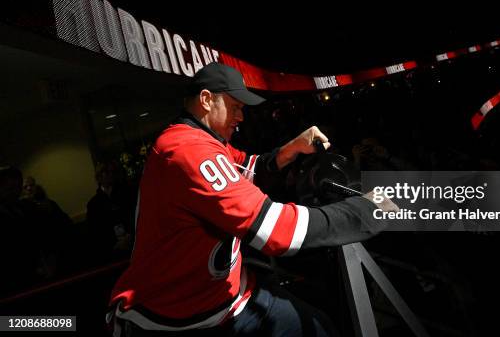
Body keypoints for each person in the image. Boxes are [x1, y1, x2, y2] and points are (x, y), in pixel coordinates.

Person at [108, 62, 398, 336]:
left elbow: (250, 167)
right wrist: (365, 211)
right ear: (207, 100)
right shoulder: (185, 150)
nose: (241, 117)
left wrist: (293, 147)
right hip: (182, 319)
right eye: (235, 107)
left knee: (320, 325)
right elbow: (277, 232)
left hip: (226, 296)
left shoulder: (208, 142)